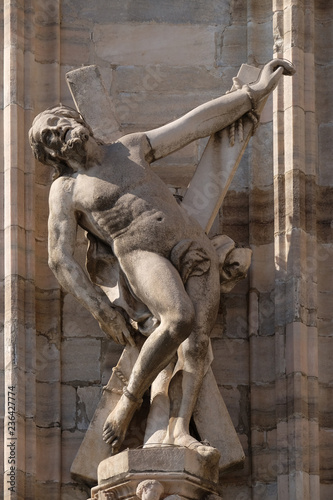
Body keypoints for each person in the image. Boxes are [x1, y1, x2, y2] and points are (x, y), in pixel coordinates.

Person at [29, 59, 294, 459]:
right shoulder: (67, 190)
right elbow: (59, 258)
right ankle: (128, 400)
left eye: (57, 124)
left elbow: (192, 126)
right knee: (179, 319)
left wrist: (252, 94)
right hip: (141, 254)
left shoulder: (130, 146)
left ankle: (180, 430)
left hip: (192, 246)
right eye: (49, 138)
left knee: (197, 343)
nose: (59, 134)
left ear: (74, 117)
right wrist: (103, 310)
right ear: (52, 155)